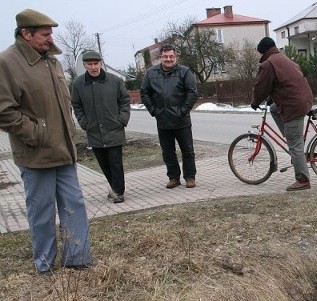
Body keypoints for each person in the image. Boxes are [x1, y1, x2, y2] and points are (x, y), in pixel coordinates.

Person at [0, 8, 92, 274]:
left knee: (74, 204)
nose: (50, 38)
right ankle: (45, 265)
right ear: (26, 34)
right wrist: (36, 133)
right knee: (41, 212)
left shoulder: (53, 61)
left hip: (64, 150)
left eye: (51, 33)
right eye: (44, 34)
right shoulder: (7, 62)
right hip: (36, 153)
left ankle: (78, 258)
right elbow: (4, 111)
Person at [250, 36, 314, 191]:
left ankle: (303, 180)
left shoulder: (268, 64)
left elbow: (261, 86)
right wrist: (272, 98)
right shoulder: (283, 58)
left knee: (295, 145)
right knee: (273, 109)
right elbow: (284, 82)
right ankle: (289, 134)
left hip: (293, 105)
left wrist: (255, 102)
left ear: (264, 52)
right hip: (303, 99)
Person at [71, 50, 131, 204]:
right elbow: (76, 105)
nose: (93, 67)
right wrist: (84, 123)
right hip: (94, 131)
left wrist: (122, 119)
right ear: (85, 65)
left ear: (101, 64)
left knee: (115, 162)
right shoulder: (78, 84)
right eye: (89, 64)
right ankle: (113, 187)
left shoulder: (115, 81)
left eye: (96, 64)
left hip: (114, 129)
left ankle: (119, 191)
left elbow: (124, 100)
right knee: (104, 163)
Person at [140, 44, 198, 189]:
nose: (168, 59)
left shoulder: (184, 72)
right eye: (165, 57)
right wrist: (153, 110)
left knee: (188, 150)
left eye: (171, 56)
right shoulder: (151, 73)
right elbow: (144, 92)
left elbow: (192, 92)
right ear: (160, 57)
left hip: (182, 120)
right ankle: (173, 178)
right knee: (168, 152)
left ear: (175, 57)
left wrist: (183, 110)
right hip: (163, 120)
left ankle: (190, 177)